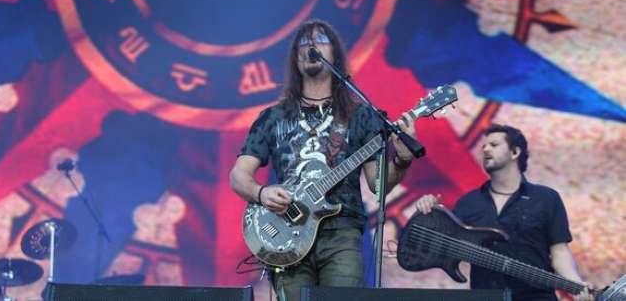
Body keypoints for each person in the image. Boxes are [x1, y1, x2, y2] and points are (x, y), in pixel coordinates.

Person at [230, 19, 416, 301]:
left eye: (319, 41)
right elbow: (238, 175)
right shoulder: (273, 117)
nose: (311, 46)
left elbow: (378, 185)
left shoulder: (361, 115)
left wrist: (401, 161)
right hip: (286, 234)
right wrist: (261, 192)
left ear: (335, 54)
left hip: (342, 234)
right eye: (303, 43)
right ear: (295, 58)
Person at [414, 124, 593, 301]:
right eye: (484, 146)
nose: (485, 149)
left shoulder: (546, 198)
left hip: (535, 297)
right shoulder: (468, 202)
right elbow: (441, 243)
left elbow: (559, 251)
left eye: (494, 145)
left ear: (515, 152)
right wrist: (429, 209)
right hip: (486, 296)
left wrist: (576, 285)